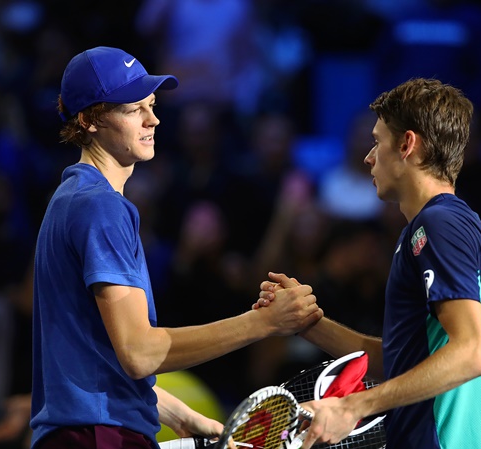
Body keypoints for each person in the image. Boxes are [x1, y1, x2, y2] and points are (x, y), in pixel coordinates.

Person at [30, 46, 322, 449]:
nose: (154, 119)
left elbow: (99, 360)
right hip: (98, 437)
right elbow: (138, 353)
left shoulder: (70, 199)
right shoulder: (100, 206)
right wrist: (264, 323)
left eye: (151, 105)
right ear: (89, 120)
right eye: (134, 109)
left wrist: (182, 416)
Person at [257, 78, 481, 449]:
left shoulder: (438, 225)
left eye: (377, 141)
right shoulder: (440, 226)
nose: (368, 157)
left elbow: (472, 352)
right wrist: (309, 323)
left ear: (407, 144)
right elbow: (403, 361)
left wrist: (351, 407)